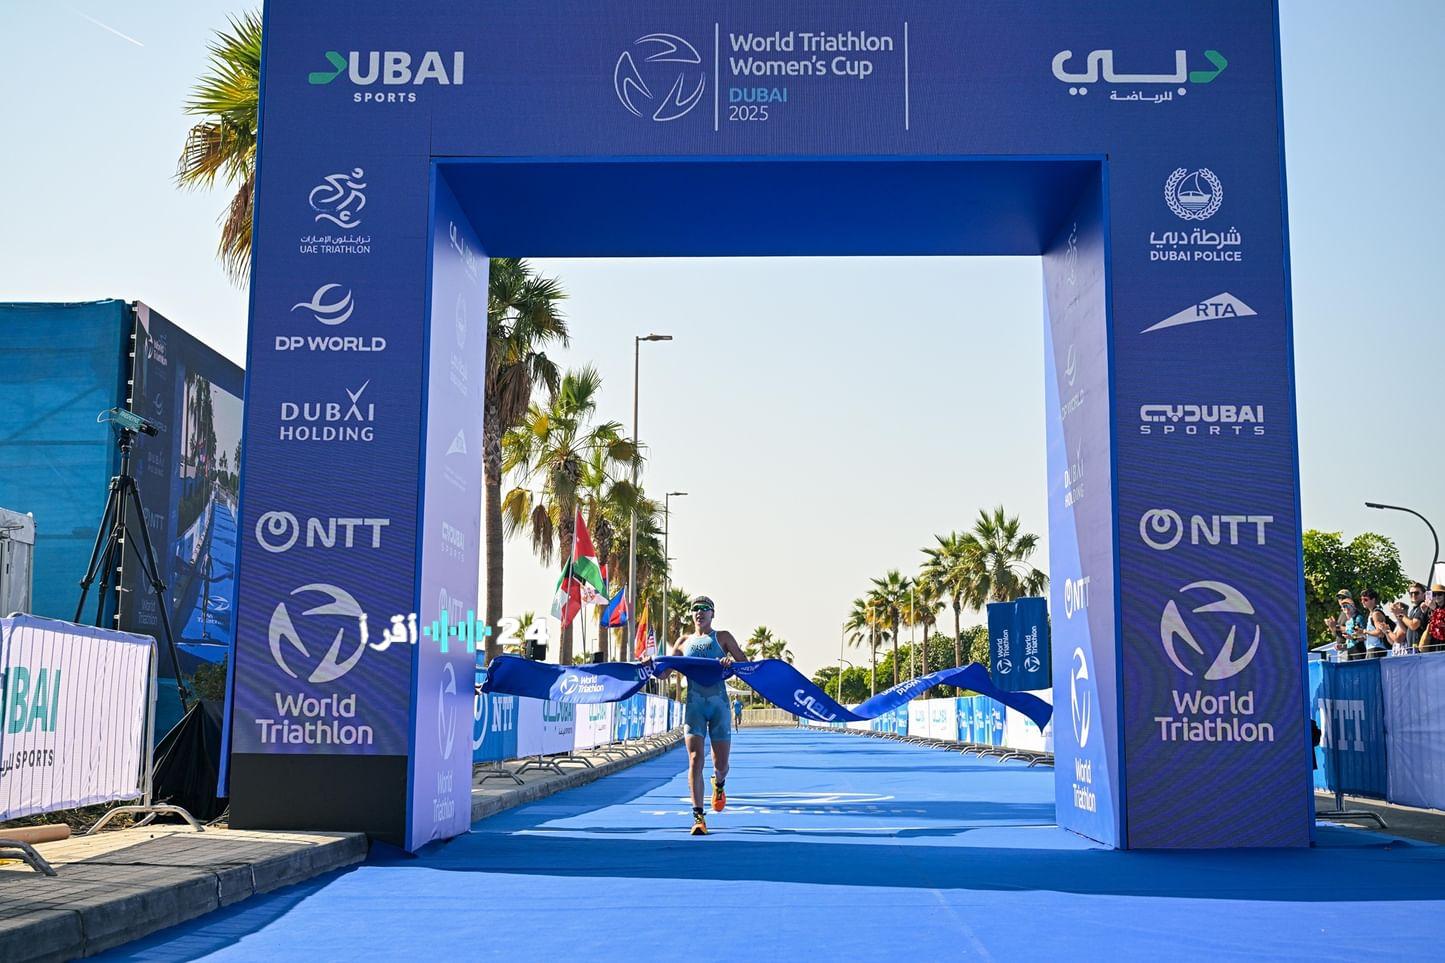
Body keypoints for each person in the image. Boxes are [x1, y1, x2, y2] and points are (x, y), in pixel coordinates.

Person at [659, 595, 746, 836]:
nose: (700, 612)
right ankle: (698, 818)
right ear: (692, 614)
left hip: (719, 706)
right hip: (695, 707)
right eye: (696, 609)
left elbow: (744, 664)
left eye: (705, 609)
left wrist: (731, 662)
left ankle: (719, 784)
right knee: (695, 758)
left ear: (712, 614)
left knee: (721, 764)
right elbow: (664, 674)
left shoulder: (723, 637)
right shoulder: (684, 641)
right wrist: (651, 664)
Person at [1326, 591, 1365, 661]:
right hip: (1346, 649)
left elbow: (1364, 636)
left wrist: (1337, 627)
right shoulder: (1346, 618)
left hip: (1358, 650)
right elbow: (1347, 638)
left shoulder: (1357, 617)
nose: (1340, 599)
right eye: (1338, 598)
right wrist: (1332, 628)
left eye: (1343, 597)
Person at [1400, 582, 1431, 652]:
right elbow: (1407, 630)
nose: (1413, 595)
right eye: (1411, 593)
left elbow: (1413, 625)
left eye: (1416, 593)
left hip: (1421, 649)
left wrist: (1402, 616)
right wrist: (1397, 616)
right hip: (1412, 649)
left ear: (1424, 594)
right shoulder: (1413, 609)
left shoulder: (1423, 607)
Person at [1359, 590, 1390, 658]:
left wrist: (1365, 631)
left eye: (1365, 599)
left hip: (1376, 649)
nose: (1363, 602)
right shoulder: (1372, 614)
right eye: (1361, 600)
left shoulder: (1376, 614)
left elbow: (1380, 633)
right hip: (1372, 649)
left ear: (1373, 600)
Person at [1424, 585, 1445, 653]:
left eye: (1439, 594)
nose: (1436, 596)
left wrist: (1435, 609)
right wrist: (1424, 611)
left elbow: (1442, 622)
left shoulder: (1434, 608)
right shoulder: (1431, 608)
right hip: (1433, 642)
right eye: (1434, 594)